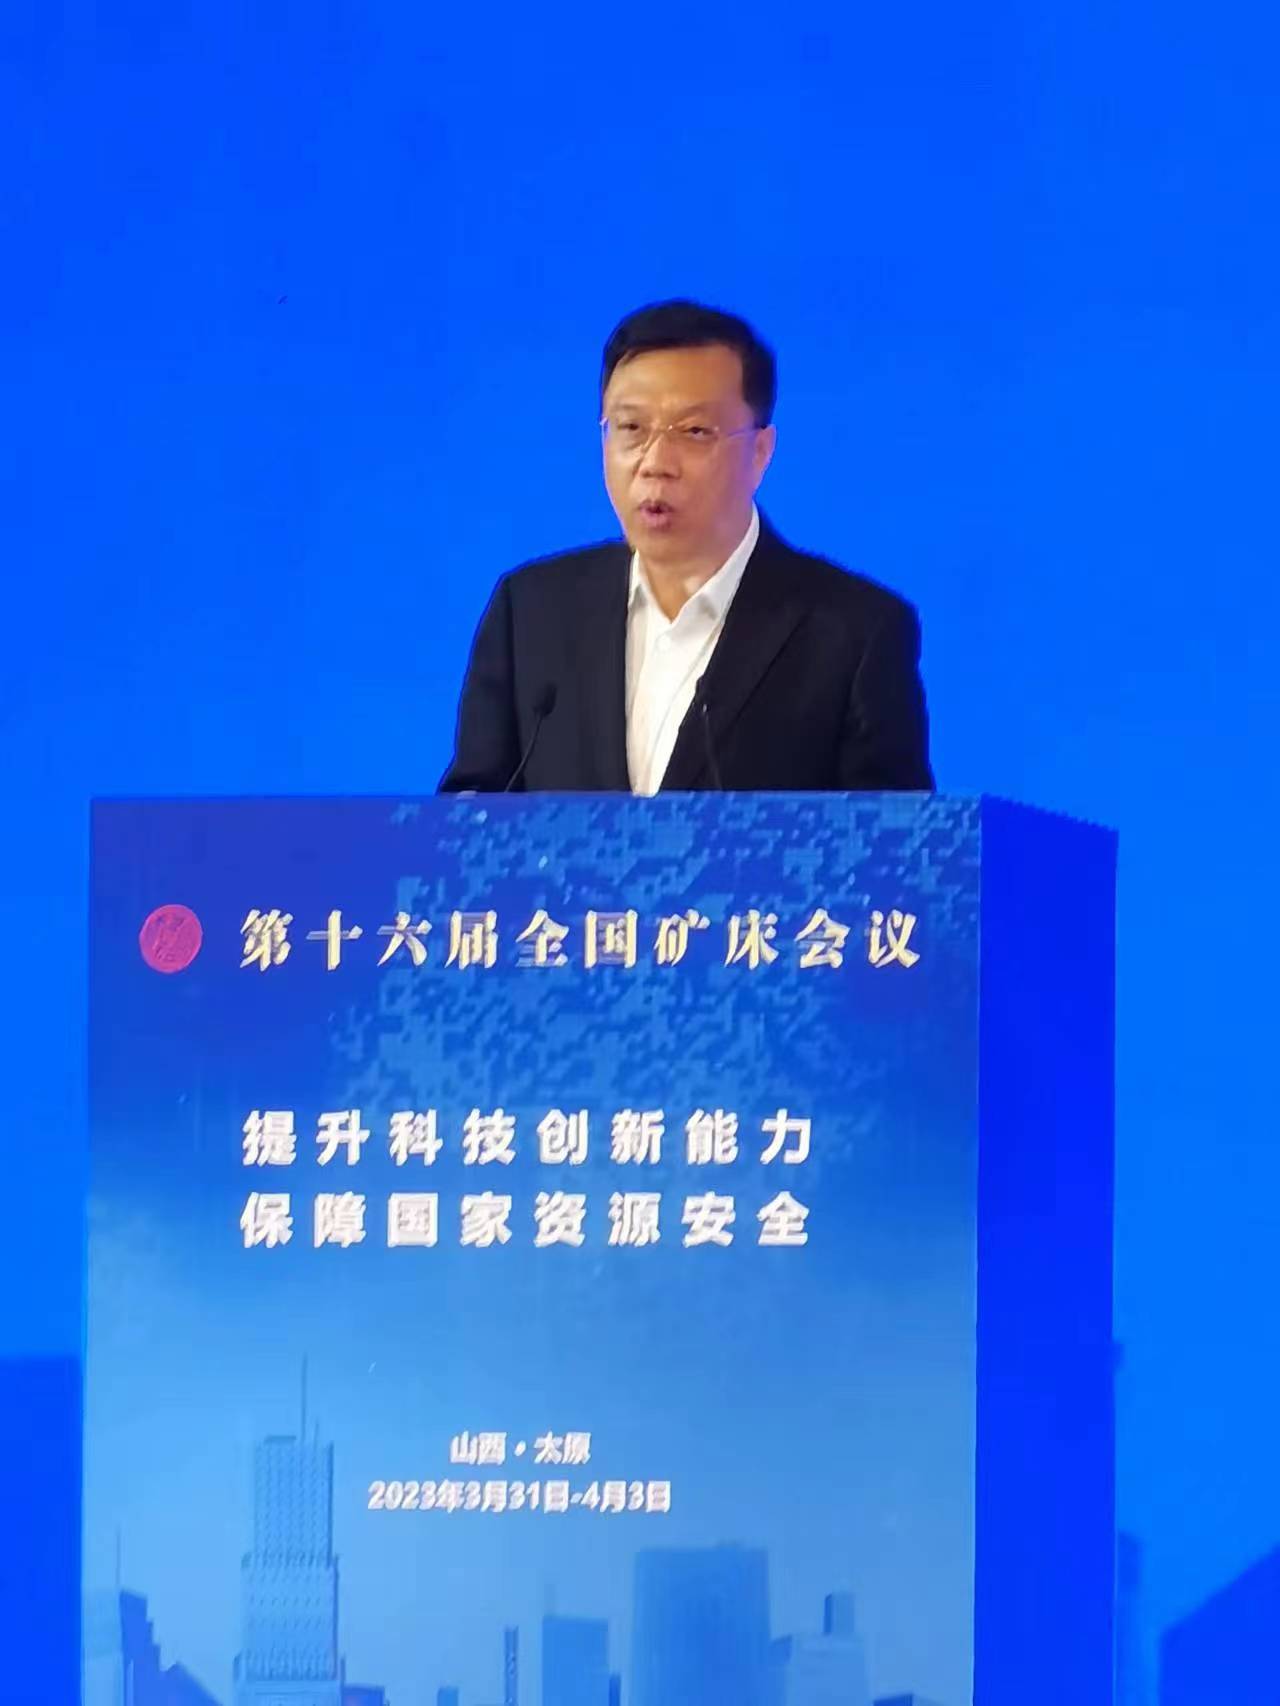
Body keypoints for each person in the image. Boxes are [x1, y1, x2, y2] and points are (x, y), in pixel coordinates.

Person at [439, 299, 933, 793]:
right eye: (631, 428)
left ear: (760, 452)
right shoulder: (531, 612)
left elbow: (891, 836)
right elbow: (467, 818)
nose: (656, 462)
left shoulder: (854, 633)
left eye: (695, 432)